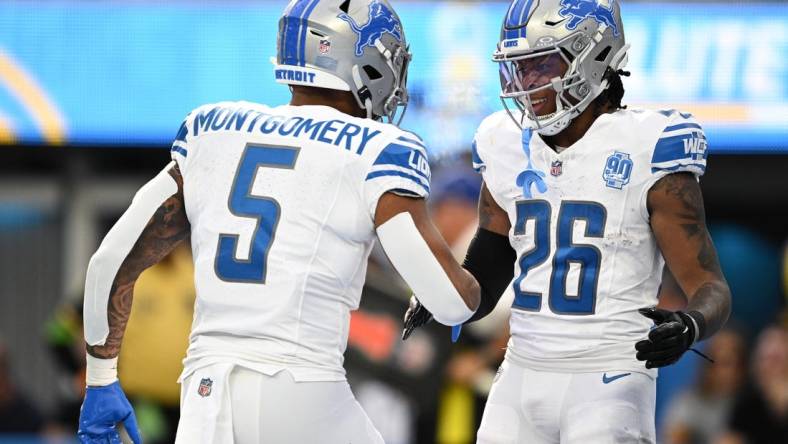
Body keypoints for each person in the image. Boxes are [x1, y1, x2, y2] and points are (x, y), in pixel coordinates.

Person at [77, 1, 480, 443]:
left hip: (204, 394)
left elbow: (109, 260)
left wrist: (100, 378)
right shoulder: (379, 147)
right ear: (360, 60)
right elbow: (451, 302)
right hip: (301, 388)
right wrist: (477, 275)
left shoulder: (211, 130)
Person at [403, 0, 732, 442]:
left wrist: (691, 324)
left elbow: (710, 286)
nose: (526, 82)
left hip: (610, 375)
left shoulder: (649, 146)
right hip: (521, 369)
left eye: (541, 65)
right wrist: (444, 291)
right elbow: (490, 268)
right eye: (519, 68)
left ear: (594, 58)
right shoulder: (503, 143)